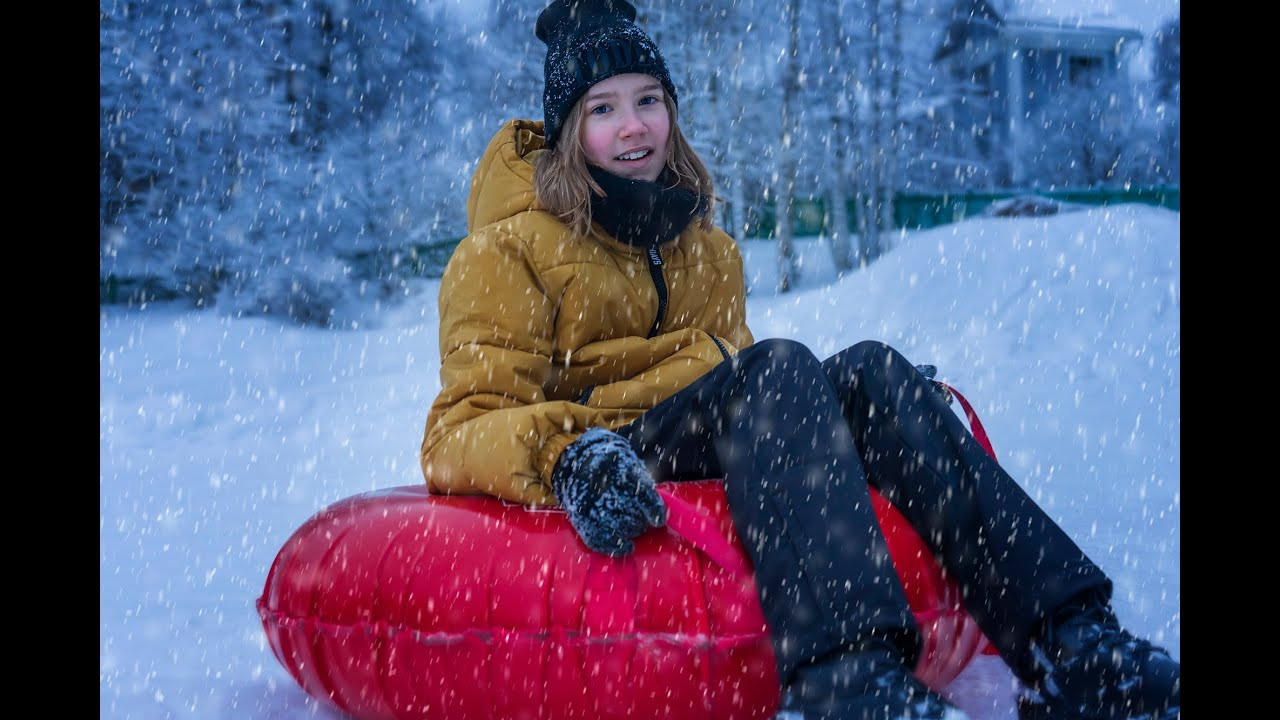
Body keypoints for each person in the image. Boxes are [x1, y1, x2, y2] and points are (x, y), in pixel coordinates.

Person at [418, 2, 1181, 719]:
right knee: (779, 366)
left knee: (875, 374)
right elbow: (460, 428)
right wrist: (566, 457)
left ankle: (1072, 644)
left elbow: (732, 383)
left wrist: (852, 409)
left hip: (697, 438)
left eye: (648, 100)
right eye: (602, 109)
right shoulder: (506, 252)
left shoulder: (704, 248)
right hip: (612, 450)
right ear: (566, 132)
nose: (633, 126)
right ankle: (847, 680)